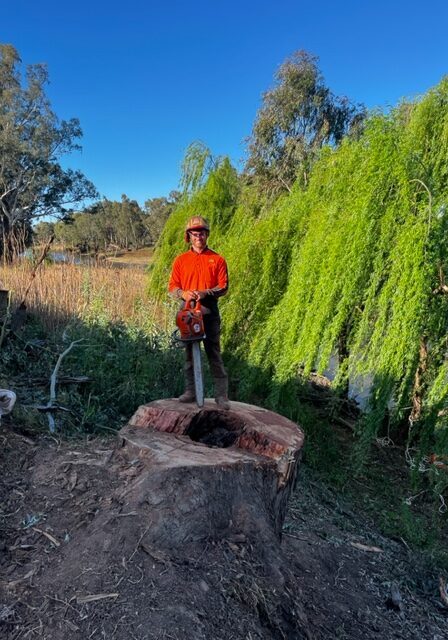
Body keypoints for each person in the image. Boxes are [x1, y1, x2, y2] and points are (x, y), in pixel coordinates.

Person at [169, 215, 230, 410]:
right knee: (189, 355)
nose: (198, 237)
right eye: (195, 234)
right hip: (187, 311)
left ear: (207, 235)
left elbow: (224, 286)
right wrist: (182, 293)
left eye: (202, 233)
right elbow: (172, 287)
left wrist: (205, 293)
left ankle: (221, 396)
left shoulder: (217, 259)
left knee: (213, 353)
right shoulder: (180, 261)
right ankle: (191, 391)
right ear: (189, 236)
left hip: (209, 311)